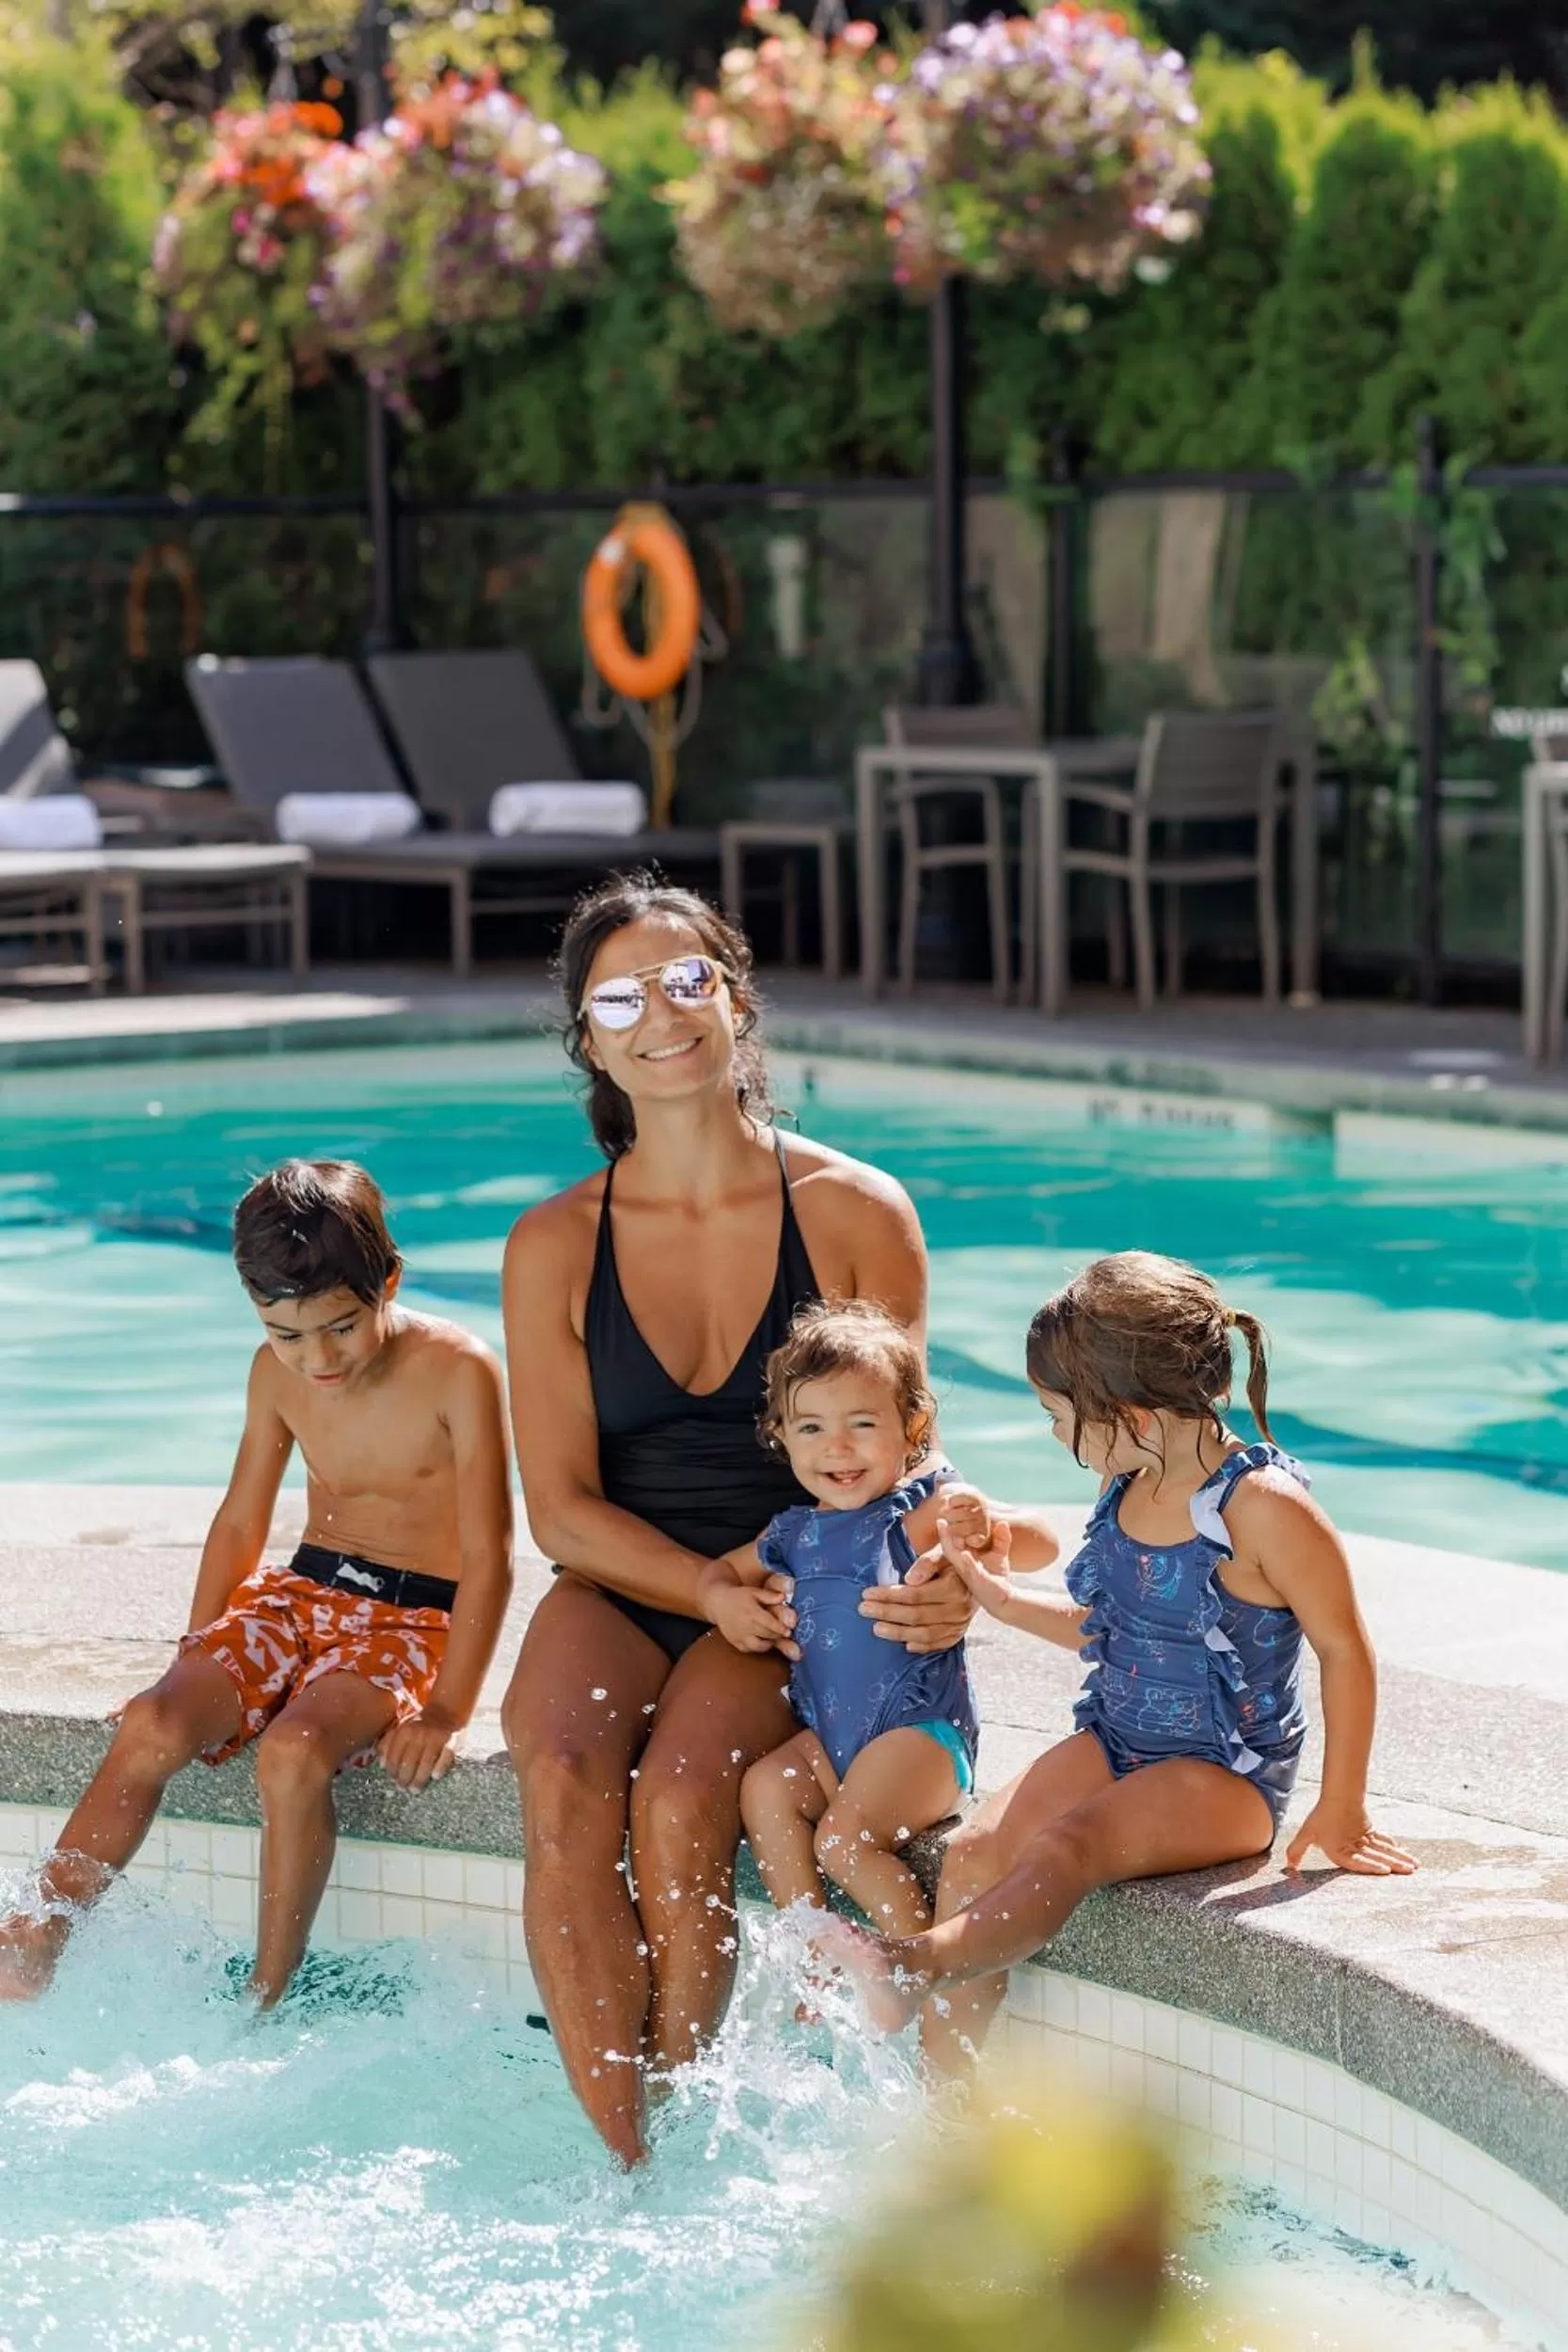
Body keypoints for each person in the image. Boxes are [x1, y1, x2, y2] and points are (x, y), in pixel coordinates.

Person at [500, 875, 1022, 2168]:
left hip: (800, 1583)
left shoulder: (851, 1209)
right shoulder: (553, 1244)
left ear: (734, 997)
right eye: (619, 999)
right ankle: (621, 2158)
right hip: (632, 1574)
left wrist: (944, 1570)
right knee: (558, 1771)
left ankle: (680, 2118)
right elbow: (558, 1508)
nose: (661, 1016)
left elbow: (907, 1443)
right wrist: (698, 1587)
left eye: (687, 980)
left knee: (684, 1796)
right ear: (587, 1040)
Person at [822, 1250, 1418, 2064]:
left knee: (1065, 1847)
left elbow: (1343, 1649)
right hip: (1115, 1741)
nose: (1053, 1433)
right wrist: (998, 1597)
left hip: (1224, 1775)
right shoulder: (1130, 1481)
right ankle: (945, 2102)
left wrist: (1341, 1805)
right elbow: (1113, 1633)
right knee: (974, 1853)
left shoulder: (1262, 1509)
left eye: (1057, 1415)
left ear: (1128, 1414)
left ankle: (909, 1966)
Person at [0, 1159, 513, 2008]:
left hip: (411, 1613)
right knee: (153, 1720)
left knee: (294, 1751)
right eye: (287, 1335)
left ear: (387, 1280)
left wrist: (449, 1709)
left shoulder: (458, 1370)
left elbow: (492, 1552)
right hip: (301, 1592)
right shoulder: (273, 1373)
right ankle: (41, 1930)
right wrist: (196, 1650)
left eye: (341, 1327)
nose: (318, 1358)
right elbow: (242, 1522)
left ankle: (267, 1992)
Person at [706, 1299, 1053, 1946]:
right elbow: (720, 1573)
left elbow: (1041, 1542)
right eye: (810, 1428)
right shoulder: (793, 1533)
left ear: (912, 1426)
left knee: (842, 1842)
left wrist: (984, 1527)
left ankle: (910, 1966)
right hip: (832, 1741)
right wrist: (723, 1602)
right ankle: (816, 1952)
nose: (836, 1447)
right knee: (764, 1790)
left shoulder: (922, 1508)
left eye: (861, 1423)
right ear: (781, 1434)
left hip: (919, 1738)